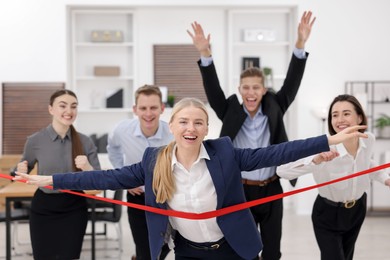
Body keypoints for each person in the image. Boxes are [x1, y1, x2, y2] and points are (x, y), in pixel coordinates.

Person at [15, 97, 367, 260]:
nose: (191, 128)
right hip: (187, 252)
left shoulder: (225, 152)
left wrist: (328, 139)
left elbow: (273, 154)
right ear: (173, 126)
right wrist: (52, 180)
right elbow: (108, 176)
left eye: (198, 122)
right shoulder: (154, 161)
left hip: (232, 250)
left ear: (206, 129)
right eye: (184, 121)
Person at [187, 11, 316, 260]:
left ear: (263, 89)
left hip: (271, 189)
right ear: (239, 90)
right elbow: (213, 89)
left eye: (256, 87)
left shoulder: (275, 106)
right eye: (245, 87)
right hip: (240, 190)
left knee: (271, 251)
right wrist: (205, 53)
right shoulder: (231, 109)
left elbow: (292, 81)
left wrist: (300, 43)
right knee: (243, 250)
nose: (251, 92)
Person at [276, 94, 390, 260]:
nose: (340, 119)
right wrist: (315, 160)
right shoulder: (323, 147)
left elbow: (368, 164)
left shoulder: (368, 139)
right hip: (328, 214)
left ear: (359, 117)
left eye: (346, 113)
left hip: (357, 209)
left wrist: (385, 178)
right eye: (335, 115)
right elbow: (282, 171)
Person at [16, 89, 101, 260]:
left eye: (73, 106)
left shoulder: (85, 141)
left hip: (74, 208)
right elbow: (20, 170)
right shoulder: (35, 141)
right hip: (43, 208)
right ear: (51, 109)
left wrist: (87, 167)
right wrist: (21, 169)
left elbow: (99, 180)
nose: (69, 111)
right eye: (63, 106)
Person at [107, 84, 172, 260]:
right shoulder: (122, 130)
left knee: (165, 246)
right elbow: (112, 149)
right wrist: (124, 176)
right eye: (143, 108)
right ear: (135, 110)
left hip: (165, 198)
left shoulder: (172, 134)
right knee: (146, 251)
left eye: (153, 108)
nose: (148, 113)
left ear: (162, 108)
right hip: (138, 198)